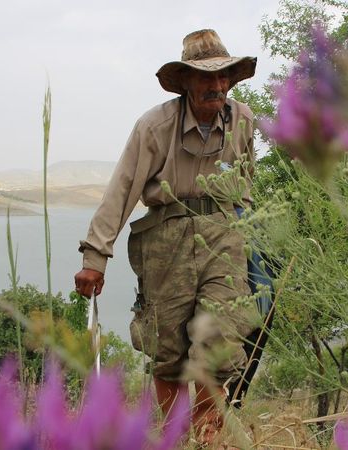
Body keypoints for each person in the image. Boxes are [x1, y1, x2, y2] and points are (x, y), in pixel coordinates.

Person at [73, 29, 258, 446]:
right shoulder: (155, 125)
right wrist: (95, 258)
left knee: (220, 346)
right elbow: (121, 189)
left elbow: (247, 183)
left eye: (223, 76)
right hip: (165, 241)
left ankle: (204, 441)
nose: (216, 85)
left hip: (225, 236)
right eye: (205, 77)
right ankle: (177, 440)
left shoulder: (243, 119)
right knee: (168, 354)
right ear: (186, 81)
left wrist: (253, 239)